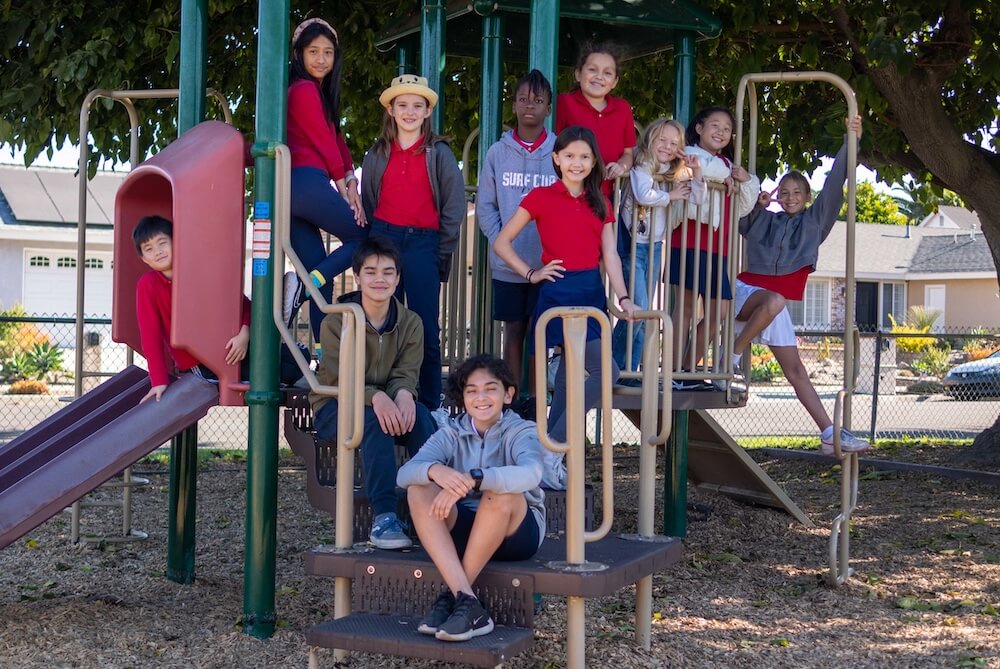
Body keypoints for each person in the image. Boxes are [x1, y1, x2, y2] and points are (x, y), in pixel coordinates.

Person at [493, 126, 636, 490]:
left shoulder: (601, 203)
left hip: (591, 291)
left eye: (584, 157)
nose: (577, 163)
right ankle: (552, 450)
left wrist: (622, 296)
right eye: (569, 155)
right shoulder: (541, 196)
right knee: (597, 372)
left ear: (593, 163)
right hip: (556, 291)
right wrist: (531, 273)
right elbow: (502, 242)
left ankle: (550, 452)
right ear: (556, 159)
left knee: (594, 373)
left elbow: (610, 256)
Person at [734, 115, 870, 455]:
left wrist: (850, 141)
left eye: (797, 192)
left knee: (795, 368)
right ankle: (732, 356)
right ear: (777, 196)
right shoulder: (763, 219)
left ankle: (828, 433)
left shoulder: (815, 222)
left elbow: (837, 178)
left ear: (808, 197)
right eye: (784, 192)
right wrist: (756, 203)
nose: (790, 197)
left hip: (772, 304)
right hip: (745, 295)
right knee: (776, 301)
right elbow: (737, 215)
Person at [396, 354, 545, 642]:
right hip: (470, 529)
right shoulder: (452, 432)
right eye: (471, 390)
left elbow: (531, 474)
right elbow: (404, 474)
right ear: (462, 397)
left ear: (508, 394)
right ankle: (467, 601)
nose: (481, 398)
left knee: (499, 494)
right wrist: (435, 471)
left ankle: (454, 598)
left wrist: (478, 477)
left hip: (517, 533)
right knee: (419, 488)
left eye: (490, 388)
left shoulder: (521, 430)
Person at [311, 237, 438, 549]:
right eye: (370, 272)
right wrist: (376, 397)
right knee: (372, 421)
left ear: (397, 278)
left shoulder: (410, 323)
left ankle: (438, 505)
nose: (379, 279)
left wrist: (405, 394)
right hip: (335, 404)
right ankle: (384, 518)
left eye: (387, 272)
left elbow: (405, 372)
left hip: (386, 402)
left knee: (421, 417)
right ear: (357, 276)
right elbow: (340, 378)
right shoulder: (336, 320)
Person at [361, 74, 466, 411]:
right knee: (381, 320)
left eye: (417, 106)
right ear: (391, 110)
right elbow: (369, 200)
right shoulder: (377, 154)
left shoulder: (439, 154)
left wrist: (441, 247)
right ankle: (379, 396)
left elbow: (454, 205)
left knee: (424, 325)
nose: (409, 112)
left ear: (426, 112)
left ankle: (431, 406)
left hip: (424, 242)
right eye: (402, 105)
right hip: (384, 238)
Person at [476, 69, 557, 415]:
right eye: (523, 99)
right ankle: (510, 405)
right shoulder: (497, 152)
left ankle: (538, 404)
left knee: (542, 334)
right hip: (509, 265)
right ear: (513, 104)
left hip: (548, 263)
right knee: (513, 333)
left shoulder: (559, 151)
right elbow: (485, 207)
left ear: (548, 108)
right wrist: (502, 245)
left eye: (538, 101)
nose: (530, 106)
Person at [283, 17, 368, 339]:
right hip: (305, 183)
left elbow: (337, 142)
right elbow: (323, 143)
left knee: (323, 274)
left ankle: (322, 356)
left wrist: (351, 179)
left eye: (328, 53)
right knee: (363, 237)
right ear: (300, 55)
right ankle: (305, 284)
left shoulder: (318, 93)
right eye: (313, 51)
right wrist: (345, 188)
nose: (321, 59)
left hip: (293, 191)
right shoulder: (304, 90)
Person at [669, 107, 760, 388]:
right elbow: (687, 170)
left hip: (717, 246)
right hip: (688, 239)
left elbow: (742, 207)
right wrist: (725, 176)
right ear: (699, 127)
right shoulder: (688, 154)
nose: (721, 132)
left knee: (719, 310)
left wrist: (745, 180)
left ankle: (687, 368)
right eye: (714, 125)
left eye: (727, 129)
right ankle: (673, 373)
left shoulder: (726, 167)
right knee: (684, 308)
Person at [612, 118, 705, 372]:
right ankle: (611, 365)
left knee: (645, 313)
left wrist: (696, 172)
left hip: (654, 246)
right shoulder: (642, 165)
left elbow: (697, 198)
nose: (667, 146)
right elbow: (644, 195)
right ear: (651, 139)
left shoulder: (674, 172)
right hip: (633, 246)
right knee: (638, 309)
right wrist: (671, 195)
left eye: (673, 143)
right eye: (662, 140)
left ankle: (630, 369)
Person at [555, 42, 636, 199]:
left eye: (607, 73)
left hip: (608, 197)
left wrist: (621, 166)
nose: (599, 76)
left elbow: (628, 153)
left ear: (615, 82)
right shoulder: (564, 103)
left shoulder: (623, 108)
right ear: (578, 74)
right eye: (592, 70)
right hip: (571, 194)